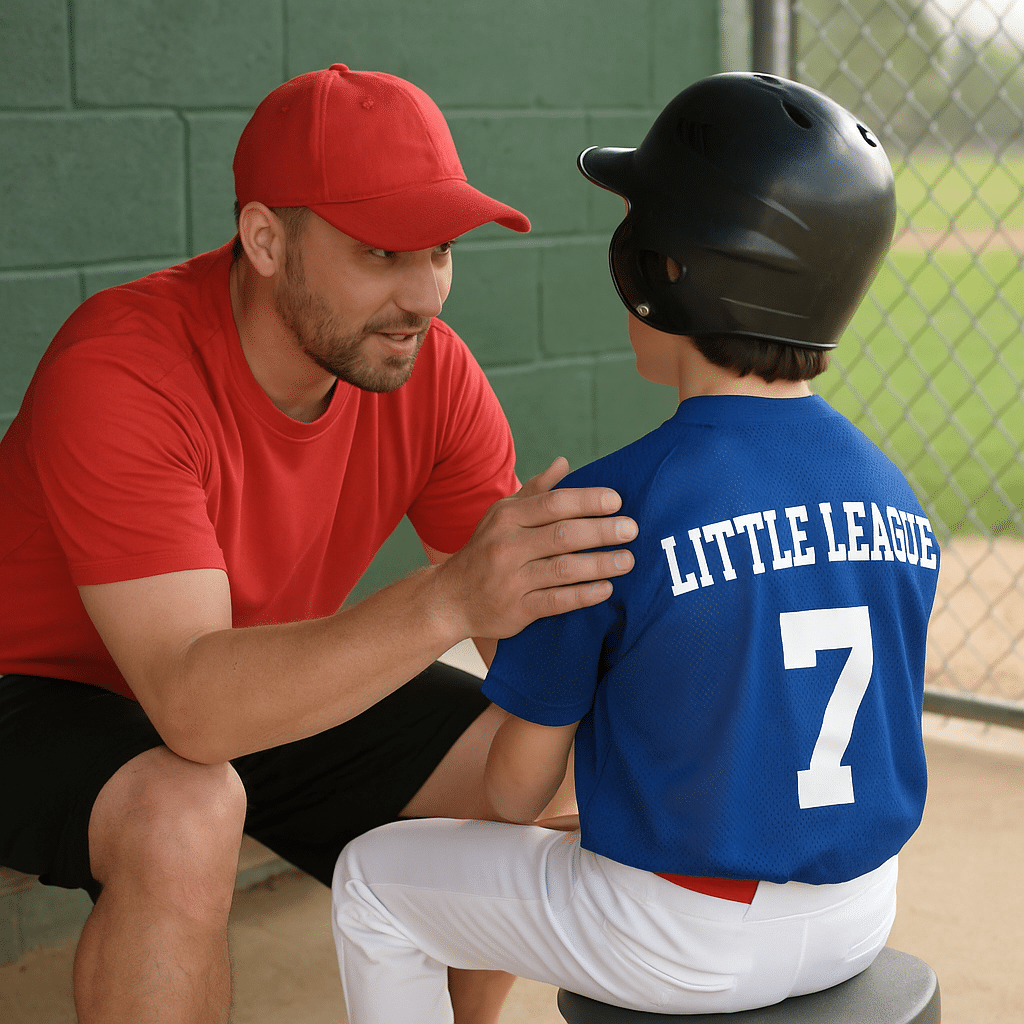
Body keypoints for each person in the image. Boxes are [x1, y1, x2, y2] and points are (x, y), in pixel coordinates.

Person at [0, 64, 640, 1024]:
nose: (424, 295)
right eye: (383, 253)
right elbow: (193, 710)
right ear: (266, 238)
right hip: (40, 692)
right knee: (185, 812)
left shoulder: (428, 370)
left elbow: (528, 659)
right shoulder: (124, 367)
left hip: (240, 679)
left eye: (440, 251)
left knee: (539, 766)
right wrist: (450, 600)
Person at [331, 72, 941, 1021]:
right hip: (863, 908)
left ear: (662, 270)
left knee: (372, 880)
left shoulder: (604, 508)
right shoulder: (896, 498)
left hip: (681, 940)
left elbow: (515, 787)